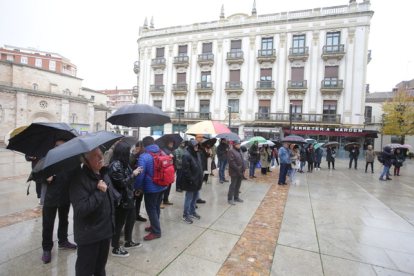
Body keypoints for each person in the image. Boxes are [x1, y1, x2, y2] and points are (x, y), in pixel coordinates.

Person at [70, 147, 115, 276]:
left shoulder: (103, 173)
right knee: (85, 271)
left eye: (101, 153)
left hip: (105, 232)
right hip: (90, 236)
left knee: (100, 269)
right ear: (85, 160)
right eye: (96, 155)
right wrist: (99, 192)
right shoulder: (79, 180)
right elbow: (80, 210)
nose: (101, 157)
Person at [40, 138, 79, 264]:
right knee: (48, 223)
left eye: (62, 146)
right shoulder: (48, 159)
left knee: (64, 219)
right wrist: (45, 177)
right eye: (57, 146)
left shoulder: (72, 161)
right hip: (50, 196)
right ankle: (47, 248)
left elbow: (77, 176)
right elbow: (36, 175)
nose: (59, 148)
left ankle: (63, 241)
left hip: (65, 195)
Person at [108, 141, 142, 257]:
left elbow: (126, 177)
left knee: (131, 219)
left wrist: (133, 174)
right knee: (119, 223)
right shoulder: (116, 165)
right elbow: (122, 182)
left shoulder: (123, 163)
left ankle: (128, 241)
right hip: (121, 200)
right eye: (128, 151)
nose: (129, 153)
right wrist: (134, 175)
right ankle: (115, 248)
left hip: (128, 196)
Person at [134, 136, 167, 240]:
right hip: (162, 186)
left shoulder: (144, 156)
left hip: (150, 188)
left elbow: (140, 175)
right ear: (153, 143)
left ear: (143, 145)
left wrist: (136, 187)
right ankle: (154, 225)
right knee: (156, 206)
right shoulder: (163, 153)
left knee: (151, 209)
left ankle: (156, 231)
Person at [181, 140, 204, 223]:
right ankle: (186, 214)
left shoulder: (197, 154)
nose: (196, 147)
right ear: (191, 146)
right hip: (191, 181)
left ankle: (192, 211)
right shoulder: (186, 155)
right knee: (189, 198)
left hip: (197, 180)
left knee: (194, 198)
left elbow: (200, 166)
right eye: (195, 146)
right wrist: (191, 180)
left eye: (197, 145)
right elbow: (186, 170)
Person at [129, 141, 147, 222]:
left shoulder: (145, 156)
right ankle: (130, 216)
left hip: (141, 181)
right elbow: (128, 164)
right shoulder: (133, 155)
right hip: (133, 181)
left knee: (139, 199)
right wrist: (134, 154)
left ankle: (137, 214)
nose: (143, 148)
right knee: (132, 199)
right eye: (142, 147)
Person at [227, 140, 245, 205]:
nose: (239, 145)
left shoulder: (239, 150)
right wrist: (237, 168)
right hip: (235, 171)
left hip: (241, 171)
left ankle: (236, 197)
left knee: (238, 185)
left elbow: (240, 158)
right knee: (233, 185)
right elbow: (231, 162)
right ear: (234, 144)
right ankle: (230, 198)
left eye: (239, 144)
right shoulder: (231, 151)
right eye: (238, 144)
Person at [161, 139, 176, 206]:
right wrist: (168, 155)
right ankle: (160, 201)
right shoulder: (163, 149)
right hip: (164, 171)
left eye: (172, 142)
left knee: (169, 185)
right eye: (170, 142)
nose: (171, 143)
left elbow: (174, 159)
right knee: (163, 186)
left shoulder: (173, 150)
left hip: (171, 170)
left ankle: (166, 199)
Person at [195, 134, 208, 203]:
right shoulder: (195, 147)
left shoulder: (202, 147)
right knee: (196, 184)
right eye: (200, 137)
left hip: (202, 167)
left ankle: (197, 197)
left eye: (202, 137)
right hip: (197, 168)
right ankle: (194, 199)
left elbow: (205, 156)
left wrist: (208, 152)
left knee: (200, 183)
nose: (201, 138)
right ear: (196, 138)